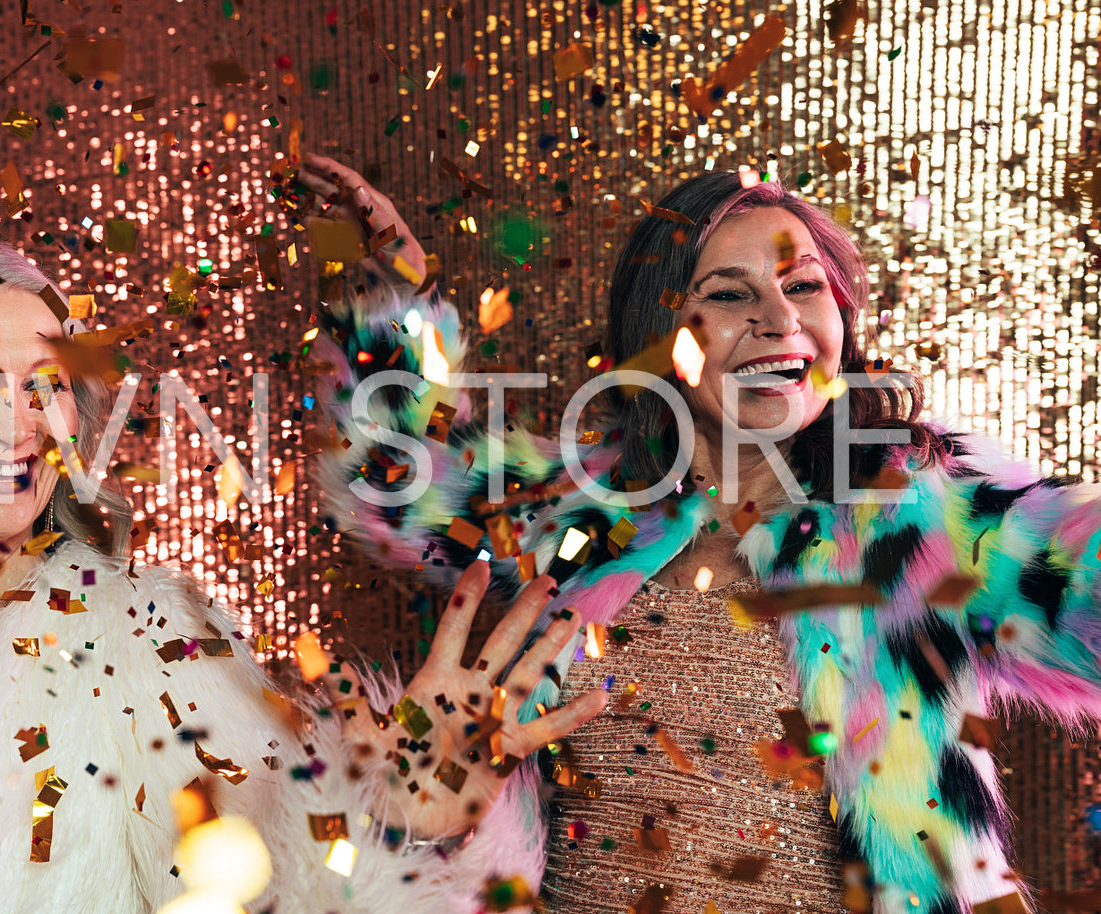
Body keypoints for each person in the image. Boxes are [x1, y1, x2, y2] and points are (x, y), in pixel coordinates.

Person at [0, 238, 608, 913]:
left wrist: (384, 814)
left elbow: (266, 876)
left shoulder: (147, 648)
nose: (12, 423)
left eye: (46, 382)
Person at [301, 155, 1101, 914]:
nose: (780, 319)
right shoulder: (581, 516)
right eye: (728, 294)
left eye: (802, 285)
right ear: (661, 330)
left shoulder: (919, 519)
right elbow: (397, 473)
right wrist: (393, 297)